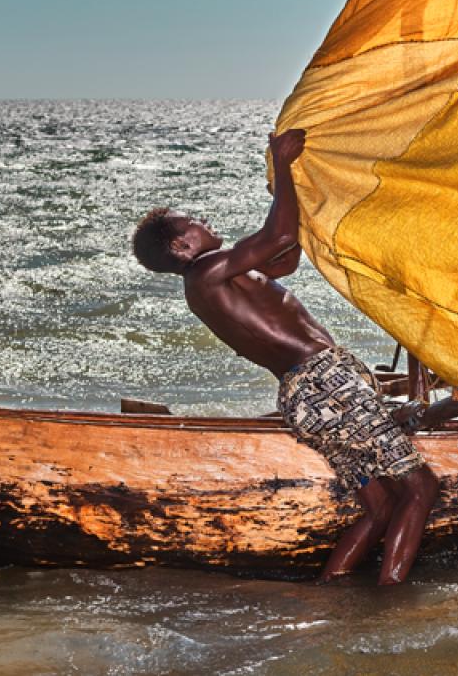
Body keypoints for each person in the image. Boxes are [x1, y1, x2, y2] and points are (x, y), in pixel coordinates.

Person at [131, 130, 440, 586]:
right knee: (420, 488)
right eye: (193, 220)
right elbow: (277, 235)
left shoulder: (211, 282)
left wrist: (288, 189)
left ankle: (329, 593)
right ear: (181, 247)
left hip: (305, 399)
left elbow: (285, 257)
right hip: (328, 384)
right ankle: (390, 602)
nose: (204, 220)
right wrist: (282, 162)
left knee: (379, 508)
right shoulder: (209, 269)